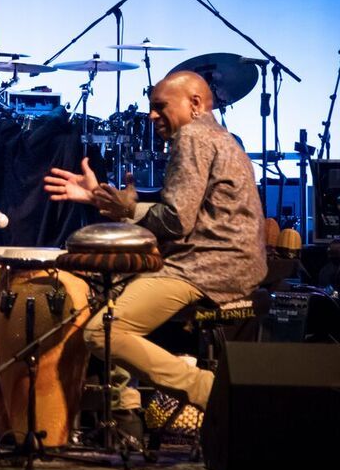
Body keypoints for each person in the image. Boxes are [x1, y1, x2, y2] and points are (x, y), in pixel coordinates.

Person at [44, 70, 266, 424]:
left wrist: (126, 211)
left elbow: (176, 221)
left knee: (102, 331)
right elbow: (188, 214)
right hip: (226, 263)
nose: (151, 115)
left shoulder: (192, 136)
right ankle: (124, 410)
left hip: (207, 268)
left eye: (160, 106)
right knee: (108, 286)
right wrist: (104, 201)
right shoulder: (220, 138)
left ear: (194, 104)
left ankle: (210, 391)